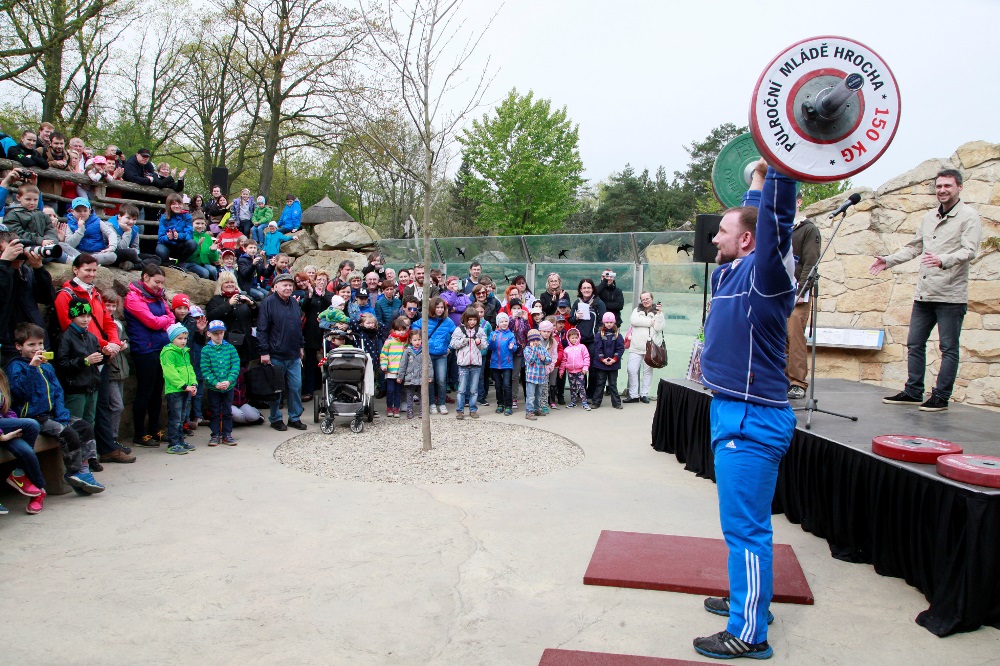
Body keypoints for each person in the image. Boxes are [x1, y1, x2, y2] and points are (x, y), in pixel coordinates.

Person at [694, 159, 796, 661]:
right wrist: (756, 178)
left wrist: (783, 164)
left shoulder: (766, 279)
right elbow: (756, 214)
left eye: (722, 232)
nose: (714, 238)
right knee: (739, 525)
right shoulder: (736, 269)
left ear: (749, 243)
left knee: (746, 529)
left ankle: (749, 632)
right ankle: (748, 599)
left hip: (752, 420)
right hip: (733, 411)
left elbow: (773, 220)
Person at [871, 168, 982, 412]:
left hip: (951, 295)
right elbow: (914, 248)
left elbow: (970, 250)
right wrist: (888, 260)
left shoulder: (969, 216)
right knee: (914, 343)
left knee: (948, 348)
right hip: (924, 293)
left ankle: (941, 396)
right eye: (939, 186)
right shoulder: (928, 217)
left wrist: (943, 259)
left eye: (947, 186)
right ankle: (913, 391)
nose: (942, 190)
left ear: (959, 188)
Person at [52, 253, 134, 463]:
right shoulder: (67, 295)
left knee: (101, 407)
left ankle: (100, 450)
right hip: (83, 360)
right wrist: (105, 346)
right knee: (81, 413)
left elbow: (107, 321)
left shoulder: (95, 293)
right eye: (87, 270)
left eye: (94, 270)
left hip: (100, 356)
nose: (91, 274)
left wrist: (113, 343)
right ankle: (83, 458)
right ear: (76, 270)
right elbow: (70, 328)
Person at [7, 322, 103, 499]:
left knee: (84, 426)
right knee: (67, 433)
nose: (37, 348)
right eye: (31, 345)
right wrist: (32, 368)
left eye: (40, 344)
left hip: (52, 414)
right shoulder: (17, 367)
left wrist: (62, 413)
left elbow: (57, 391)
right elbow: (19, 393)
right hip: (34, 417)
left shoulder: (47, 366)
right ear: (19, 346)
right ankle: (73, 472)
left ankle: (83, 469)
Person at [124, 264, 176, 446]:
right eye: (156, 282)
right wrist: (165, 321)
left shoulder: (158, 297)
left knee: (157, 392)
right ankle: (139, 434)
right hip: (145, 349)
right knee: (145, 391)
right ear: (145, 277)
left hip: (160, 348)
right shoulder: (133, 298)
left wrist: (165, 320)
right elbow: (153, 322)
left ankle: (154, 429)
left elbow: (172, 316)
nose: (159, 286)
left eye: (162, 283)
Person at [257, 273, 307, 431]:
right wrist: (264, 352)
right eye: (284, 285)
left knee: (296, 387)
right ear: (275, 287)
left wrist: (301, 346)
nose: (288, 288)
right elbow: (262, 329)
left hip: (293, 354)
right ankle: (275, 418)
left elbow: (298, 327)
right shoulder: (268, 303)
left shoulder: (293, 302)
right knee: (276, 390)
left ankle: (294, 417)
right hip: (275, 354)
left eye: (290, 285)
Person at [0, 367, 53, 512]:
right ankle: (40, 489)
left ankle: (21, 476)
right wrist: (2, 435)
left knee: (26, 452)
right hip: (1, 431)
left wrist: (14, 428)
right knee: (31, 424)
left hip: (4, 426)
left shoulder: (1, 379)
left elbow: (7, 410)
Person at [0, 230, 54, 363]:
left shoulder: (25, 271)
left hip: (35, 342)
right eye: (10, 250)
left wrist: (38, 268)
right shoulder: (3, 271)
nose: (16, 255)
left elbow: (47, 298)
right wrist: (4, 264)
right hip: (9, 347)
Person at [55, 297, 103, 425]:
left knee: (90, 422)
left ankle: (89, 446)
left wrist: (106, 355)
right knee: (76, 423)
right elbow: (62, 364)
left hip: (92, 387)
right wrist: (85, 361)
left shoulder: (91, 337)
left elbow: (98, 359)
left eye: (88, 316)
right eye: (82, 316)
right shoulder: (65, 338)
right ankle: (77, 446)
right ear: (73, 315)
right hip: (76, 389)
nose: (86, 319)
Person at [412, 297, 456, 415]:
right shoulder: (425, 320)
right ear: (432, 308)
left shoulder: (448, 321)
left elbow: (456, 334)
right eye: (437, 307)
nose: (440, 310)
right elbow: (414, 326)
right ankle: (431, 403)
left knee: (441, 380)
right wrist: (421, 342)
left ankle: (441, 403)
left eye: (442, 307)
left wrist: (450, 348)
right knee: (430, 380)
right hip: (428, 354)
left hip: (442, 354)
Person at [206, 273, 258, 367]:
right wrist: (228, 304)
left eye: (232, 282)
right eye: (226, 282)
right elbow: (211, 316)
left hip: (246, 342)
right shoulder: (216, 300)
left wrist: (252, 304)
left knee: (245, 371)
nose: (230, 284)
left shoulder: (244, 296)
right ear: (221, 284)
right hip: (226, 342)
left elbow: (258, 314)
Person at [201, 320, 240, 445]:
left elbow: (235, 366)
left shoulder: (230, 348)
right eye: (215, 333)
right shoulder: (206, 350)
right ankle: (215, 434)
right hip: (214, 388)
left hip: (228, 387)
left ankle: (227, 434)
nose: (219, 336)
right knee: (215, 411)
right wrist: (215, 383)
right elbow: (205, 369)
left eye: (221, 333)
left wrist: (229, 381)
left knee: (227, 411)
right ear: (209, 334)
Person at [161, 323, 197, 454]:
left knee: (182, 418)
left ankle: (181, 440)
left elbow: (190, 369)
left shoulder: (185, 352)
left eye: (185, 338)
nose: (183, 341)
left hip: (186, 390)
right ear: (172, 339)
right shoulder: (168, 353)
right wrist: (183, 385)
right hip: (175, 390)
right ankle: (173, 443)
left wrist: (193, 384)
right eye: (179, 338)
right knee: (175, 418)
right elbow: (170, 372)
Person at [624, 292, 665, 404]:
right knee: (632, 370)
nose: (645, 301)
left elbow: (659, 326)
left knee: (647, 372)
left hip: (651, 348)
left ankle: (644, 394)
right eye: (643, 299)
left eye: (647, 298)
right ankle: (633, 395)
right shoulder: (636, 310)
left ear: (652, 299)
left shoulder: (658, 313)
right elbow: (634, 321)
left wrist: (659, 315)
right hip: (636, 346)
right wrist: (650, 322)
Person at [103, 291, 131, 450]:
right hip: (110, 369)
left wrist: (125, 345)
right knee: (116, 406)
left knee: (117, 406)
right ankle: (111, 438)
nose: (111, 308)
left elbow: (126, 341)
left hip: (120, 368)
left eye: (113, 305)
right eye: (108, 305)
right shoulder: (100, 322)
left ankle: (114, 438)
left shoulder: (118, 323)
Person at [450, 308, 487, 420]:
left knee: (474, 389)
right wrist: (463, 341)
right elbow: (453, 344)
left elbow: (485, 345)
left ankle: (473, 409)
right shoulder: (459, 330)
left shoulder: (480, 330)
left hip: (476, 364)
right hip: (463, 364)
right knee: (461, 389)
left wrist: (479, 342)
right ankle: (460, 410)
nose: (472, 322)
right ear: (465, 319)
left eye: (474, 319)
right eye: (470, 319)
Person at [2, 183, 58, 249]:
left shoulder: (42, 215)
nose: (32, 203)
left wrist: (49, 241)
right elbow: (18, 234)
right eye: (28, 199)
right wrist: (40, 241)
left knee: (63, 248)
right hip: (25, 246)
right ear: (18, 197)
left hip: (44, 245)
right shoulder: (13, 215)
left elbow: (50, 230)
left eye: (35, 200)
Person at [65, 197, 119, 265]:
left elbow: (111, 233)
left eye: (85, 210)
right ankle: (88, 261)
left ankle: (84, 261)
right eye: (79, 211)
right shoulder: (70, 225)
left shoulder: (98, 221)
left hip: (96, 253)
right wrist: (80, 230)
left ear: (90, 211)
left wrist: (112, 246)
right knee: (62, 245)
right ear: (72, 212)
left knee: (113, 256)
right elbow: (70, 244)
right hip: (78, 252)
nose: (82, 213)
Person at [588, 312, 624, 409]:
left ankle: (616, 403)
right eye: (607, 322)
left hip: (613, 364)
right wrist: (602, 359)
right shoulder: (599, 335)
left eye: (611, 322)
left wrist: (614, 359)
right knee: (600, 383)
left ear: (614, 323)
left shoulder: (618, 335)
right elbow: (597, 349)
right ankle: (596, 402)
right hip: (601, 364)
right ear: (604, 322)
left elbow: (620, 349)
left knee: (612, 384)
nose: (609, 324)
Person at [182, 305, 209, 428]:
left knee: (199, 394)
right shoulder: (185, 335)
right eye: (194, 318)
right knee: (188, 397)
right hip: (189, 369)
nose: (197, 321)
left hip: (199, 368)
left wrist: (201, 331)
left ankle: (198, 416)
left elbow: (201, 344)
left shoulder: (199, 334)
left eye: (199, 318)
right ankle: (186, 421)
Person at [397, 329, 431, 419]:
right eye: (415, 340)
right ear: (410, 341)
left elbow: (429, 364)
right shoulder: (407, 351)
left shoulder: (424, 350)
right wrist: (400, 376)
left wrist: (429, 376)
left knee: (422, 395)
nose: (417, 342)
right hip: (410, 377)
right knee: (409, 395)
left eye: (419, 339)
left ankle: (422, 411)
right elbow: (403, 364)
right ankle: (409, 410)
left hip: (421, 377)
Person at [488, 312, 517, 416]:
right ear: (498, 323)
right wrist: (492, 341)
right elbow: (490, 347)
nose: (504, 323)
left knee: (506, 385)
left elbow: (514, 347)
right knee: (498, 385)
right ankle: (500, 404)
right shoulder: (493, 334)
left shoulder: (510, 334)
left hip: (507, 364)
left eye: (506, 321)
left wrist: (512, 347)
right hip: (495, 364)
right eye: (502, 321)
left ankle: (508, 406)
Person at [380, 317, 410, 418]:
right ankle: (389, 407)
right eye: (398, 330)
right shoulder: (389, 341)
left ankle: (396, 408)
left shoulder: (405, 342)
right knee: (390, 390)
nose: (401, 332)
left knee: (398, 391)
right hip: (390, 370)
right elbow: (384, 354)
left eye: (403, 330)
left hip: (400, 371)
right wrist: (384, 365)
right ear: (394, 330)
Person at [568, 278, 607, 353]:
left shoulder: (599, 303)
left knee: (591, 363)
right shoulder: (577, 302)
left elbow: (603, 322)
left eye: (589, 288)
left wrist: (595, 334)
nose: (586, 290)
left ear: (593, 289)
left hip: (593, 341)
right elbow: (571, 320)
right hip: (578, 340)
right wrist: (576, 317)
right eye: (584, 288)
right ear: (581, 290)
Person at [522, 329, 551, 421]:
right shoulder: (527, 349)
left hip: (541, 377)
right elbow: (530, 360)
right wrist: (534, 350)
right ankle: (529, 412)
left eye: (537, 340)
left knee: (538, 395)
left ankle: (536, 409)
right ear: (529, 341)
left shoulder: (542, 349)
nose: (535, 342)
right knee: (531, 395)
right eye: (533, 340)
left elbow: (549, 360)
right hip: (531, 377)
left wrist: (544, 358)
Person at [560, 327, 590, 410]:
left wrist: (585, 367)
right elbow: (563, 361)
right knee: (572, 387)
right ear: (568, 338)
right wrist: (562, 370)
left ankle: (584, 402)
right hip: (570, 372)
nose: (574, 340)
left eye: (576, 338)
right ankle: (573, 402)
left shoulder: (582, 347)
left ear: (579, 337)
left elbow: (586, 357)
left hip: (580, 371)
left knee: (581, 387)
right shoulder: (567, 349)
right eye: (572, 338)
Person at [187, 215, 220, 279]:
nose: (200, 226)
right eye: (197, 223)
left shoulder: (207, 237)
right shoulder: (189, 236)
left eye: (202, 224)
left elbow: (214, 259)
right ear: (192, 224)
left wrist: (213, 251)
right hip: (191, 263)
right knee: (205, 273)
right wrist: (198, 246)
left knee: (213, 270)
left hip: (204, 263)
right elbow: (189, 256)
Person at [540, 319, 561, 412]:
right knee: (535, 388)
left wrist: (550, 367)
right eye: (544, 331)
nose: (546, 333)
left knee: (545, 387)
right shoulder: (536, 340)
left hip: (546, 369)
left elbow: (554, 356)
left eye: (548, 331)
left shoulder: (553, 342)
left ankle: (544, 405)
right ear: (540, 331)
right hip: (536, 369)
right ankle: (535, 405)